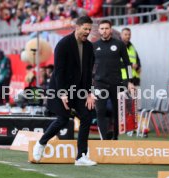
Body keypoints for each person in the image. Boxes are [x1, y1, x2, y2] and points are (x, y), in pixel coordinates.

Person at [33, 16, 97, 166]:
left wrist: (89, 93)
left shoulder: (89, 47)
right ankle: (41, 143)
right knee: (63, 120)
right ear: (77, 27)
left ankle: (81, 157)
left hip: (80, 90)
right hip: (61, 87)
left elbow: (88, 72)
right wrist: (62, 93)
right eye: (85, 29)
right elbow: (59, 71)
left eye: (89, 29)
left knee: (86, 118)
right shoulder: (63, 44)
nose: (87, 32)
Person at [93, 20, 134, 140]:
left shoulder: (119, 44)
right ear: (99, 30)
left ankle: (115, 137)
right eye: (102, 28)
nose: (104, 31)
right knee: (100, 111)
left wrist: (130, 81)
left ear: (110, 30)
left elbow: (128, 64)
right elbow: (88, 66)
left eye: (106, 28)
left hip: (116, 83)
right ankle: (103, 138)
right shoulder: (95, 46)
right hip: (99, 83)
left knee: (117, 112)